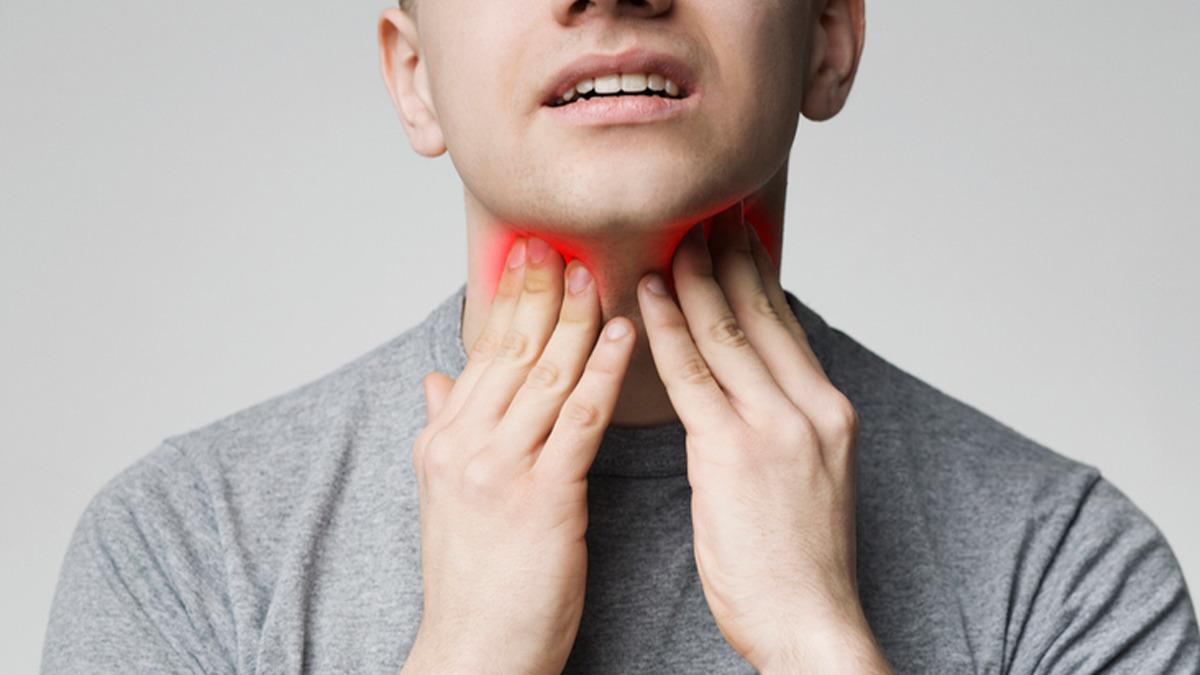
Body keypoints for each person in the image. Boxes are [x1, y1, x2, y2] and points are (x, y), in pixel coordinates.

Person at [41, 0, 1200, 672]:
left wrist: (817, 641)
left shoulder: (1067, 568)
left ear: (829, 35)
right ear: (414, 77)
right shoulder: (183, 553)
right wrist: (469, 653)